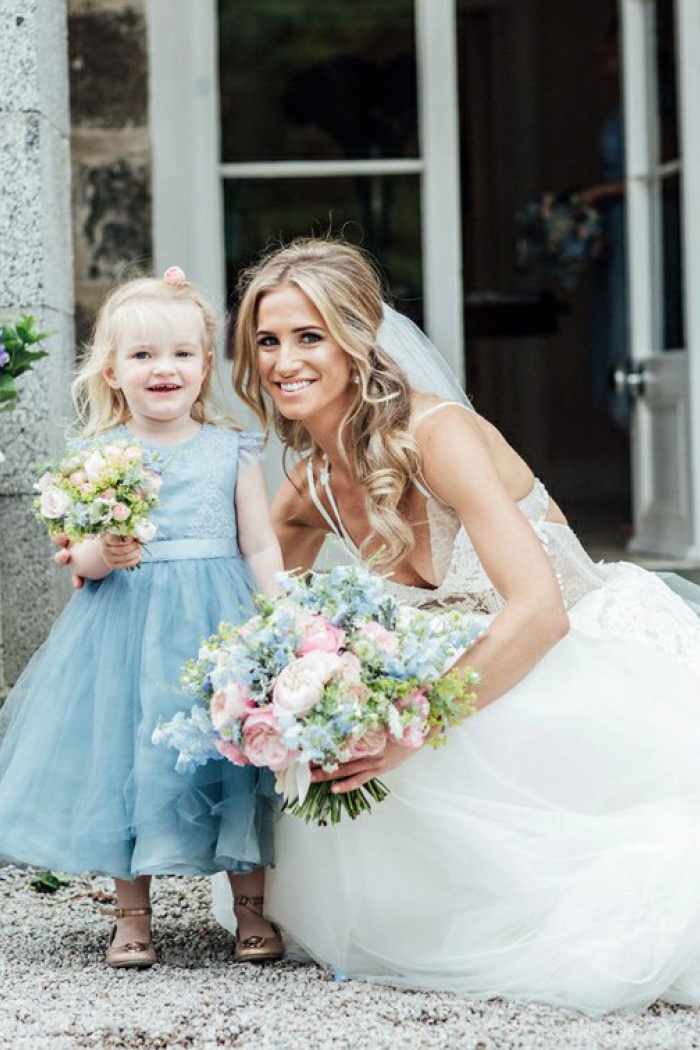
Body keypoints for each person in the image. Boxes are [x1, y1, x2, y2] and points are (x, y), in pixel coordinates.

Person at [211, 237, 700, 1016]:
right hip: (458, 669)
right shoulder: (307, 488)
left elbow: (539, 611)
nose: (283, 361)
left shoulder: (440, 436)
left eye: (309, 337)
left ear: (356, 342)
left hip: (570, 648)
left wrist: (405, 731)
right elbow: (253, 622)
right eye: (266, 341)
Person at [0, 269, 285, 968]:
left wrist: (280, 617)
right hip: (125, 628)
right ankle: (132, 916)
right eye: (143, 355)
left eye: (182, 353)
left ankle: (251, 909)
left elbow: (259, 542)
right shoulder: (97, 456)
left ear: (205, 364)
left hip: (218, 622)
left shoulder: (230, 449)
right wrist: (105, 550)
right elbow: (78, 557)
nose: (165, 369)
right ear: (113, 371)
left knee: (233, 755)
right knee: (124, 761)